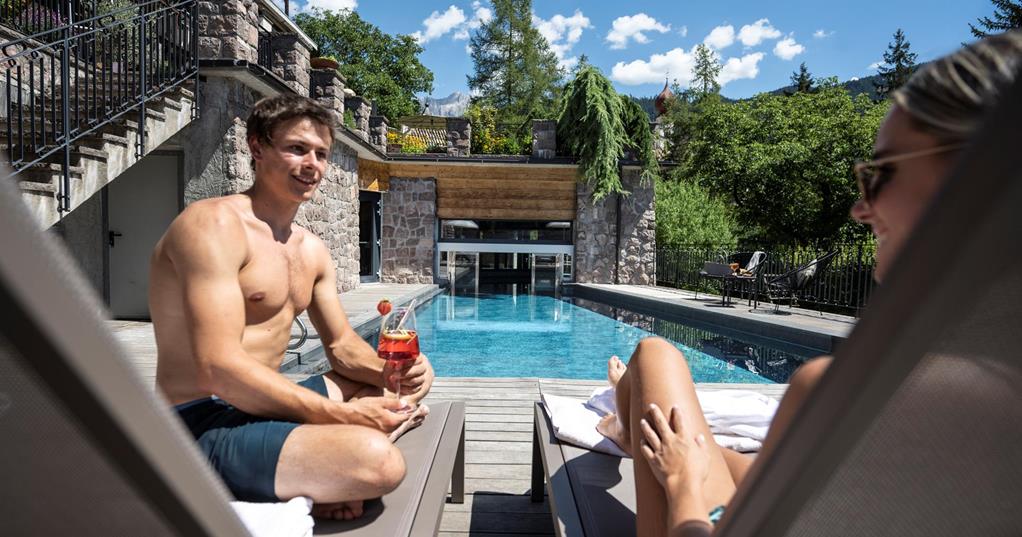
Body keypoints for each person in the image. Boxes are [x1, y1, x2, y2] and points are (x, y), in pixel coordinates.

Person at [596, 31, 1022, 537]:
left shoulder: (849, 394)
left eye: (880, 175)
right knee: (692, 430)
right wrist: (705, 453)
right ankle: (638, 426)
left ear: (977, 185)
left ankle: (631, 424)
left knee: (655, 354)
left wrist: (685, 481)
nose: (859, 208)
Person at [149, 94, 434, 520]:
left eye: (321, 154)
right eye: (297, 148)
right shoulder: (213, 225)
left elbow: (340, 346)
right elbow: (219, 369)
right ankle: (337, 465)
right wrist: (342, 416)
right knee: (380, 462)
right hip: (199, 421)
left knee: (403, 390)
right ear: (257, 147)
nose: (312, 164)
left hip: (264, 403)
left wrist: (395, 373)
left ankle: (327, 468)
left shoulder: (311, 250)